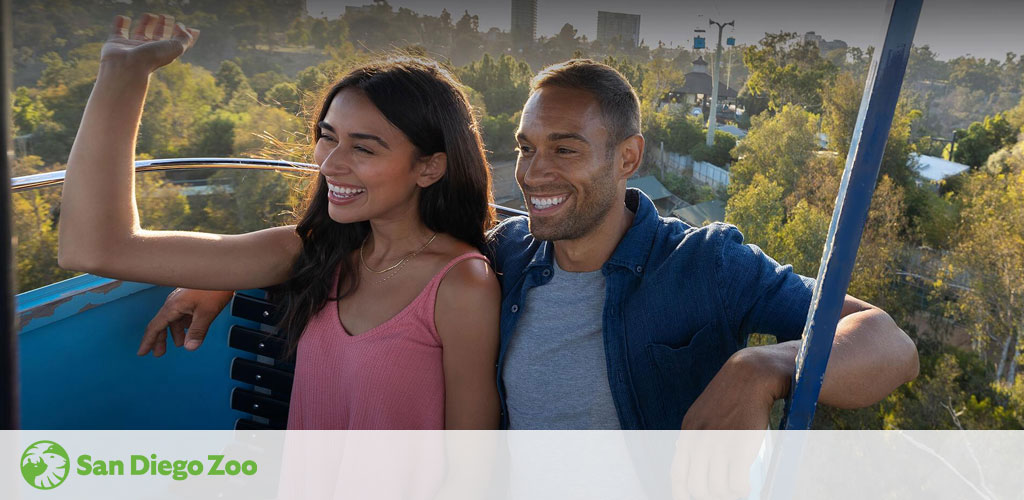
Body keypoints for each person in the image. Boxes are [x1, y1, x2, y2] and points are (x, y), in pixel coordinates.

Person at [145, 59, 920, 430]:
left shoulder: (705, 264)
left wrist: (764, 364)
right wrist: (235, 278)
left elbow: (886, 342)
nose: (535, 173)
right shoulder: (504, 257)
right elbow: (386, 240)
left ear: (627, 157)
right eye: (523, 147)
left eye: (565, 149)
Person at [57, 14, 501, 430]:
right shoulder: (312, 252)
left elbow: (472, 458)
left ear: (429, 168)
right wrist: (123, 74)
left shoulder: (461, 284)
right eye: (327, 138)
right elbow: (94, 247)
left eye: (363, 149)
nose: (330, 164)